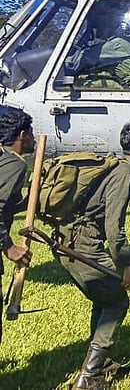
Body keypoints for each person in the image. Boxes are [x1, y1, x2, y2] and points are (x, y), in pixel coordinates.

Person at [59, 121, 130, 389]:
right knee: (116, 303)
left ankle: (102, 363)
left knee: (105, 298)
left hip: (68, 240)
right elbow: (115, 231)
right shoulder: (126, 174)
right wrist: (127, 266)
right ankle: (89, 377)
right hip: (82, 245)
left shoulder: (114, 163)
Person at [0, 106, 34, 345]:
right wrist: (8, 246)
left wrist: (29, 199)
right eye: (31, 131)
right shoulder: (13, 164)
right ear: (22, 135)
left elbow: (6, 206)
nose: (33, 137)